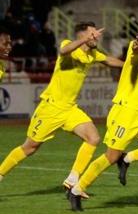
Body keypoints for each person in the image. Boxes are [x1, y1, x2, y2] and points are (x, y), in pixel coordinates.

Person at [68, 13, 138, 211]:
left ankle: (127, 159)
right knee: (110, 156)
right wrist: (135, 45)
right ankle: (76, 190)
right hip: (125, 111)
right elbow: (136, 52)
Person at [0, 22, 123, 190]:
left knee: (93, 138)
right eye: (93, 33)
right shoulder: (69, 46)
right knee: (30, 148)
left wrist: (131, 63)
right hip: (50, 108)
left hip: (70, 109)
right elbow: (64, 51)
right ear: (83, 35)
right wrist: (84, 40)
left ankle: (72, 179)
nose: (97, 36)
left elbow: (109, 60)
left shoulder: (92, 54)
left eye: (96, 33)